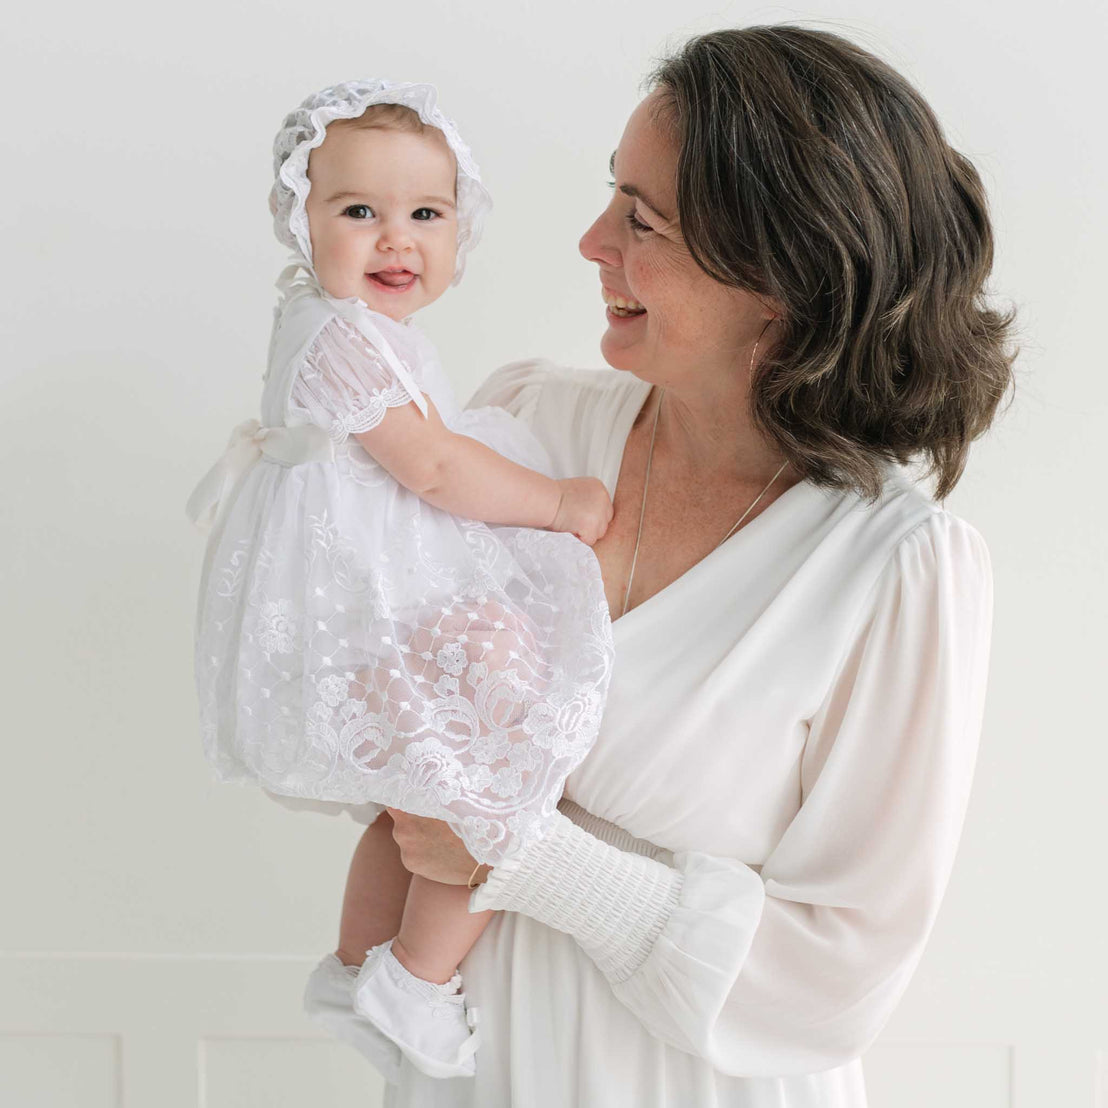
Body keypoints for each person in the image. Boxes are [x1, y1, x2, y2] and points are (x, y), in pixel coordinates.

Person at [361, 25, 1013, 1108]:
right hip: (478, 1070)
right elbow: (367, 726)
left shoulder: (895, 569)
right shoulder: (525, 428)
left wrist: (533, 859)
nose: (591, 241)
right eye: (611, 195)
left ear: (780, 279)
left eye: (642, 219)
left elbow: (835, 981)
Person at [185, 79, 616, 1081]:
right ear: (302, 221)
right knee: (486, 765)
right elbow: (434, 469)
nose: (396, 239)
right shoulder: (338, 337)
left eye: (426, 214)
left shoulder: (348, 326)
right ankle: (416, 980)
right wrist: (559, 503)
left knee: (411, 799)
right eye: (358, 212)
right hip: (360, 605)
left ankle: (356, 970)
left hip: (366, 598)